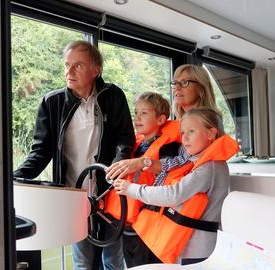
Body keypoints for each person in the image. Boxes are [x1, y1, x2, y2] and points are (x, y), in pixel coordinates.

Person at [13, 40, 135, 270]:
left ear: (95, 70)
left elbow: (125, 138)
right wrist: (12, 178)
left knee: (113, 260)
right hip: (74, 198)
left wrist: (117, 169)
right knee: (83, 263)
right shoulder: (52, 102)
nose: (69, 71)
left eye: (78, 65)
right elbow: (40, 153)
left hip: (109, 193)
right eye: (67, 65)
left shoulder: (113, 96)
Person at [112, 107, 239, 264]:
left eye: (191, 131)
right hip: (191, 245)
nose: (184, 138)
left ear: (210, 134)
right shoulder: (199, 162)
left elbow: (173, 195)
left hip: (199, 250)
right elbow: (170, 165)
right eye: (183, 132)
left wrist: (130, 189)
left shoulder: (209, 167)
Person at [104, 92, 180, 267]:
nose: (137, 118)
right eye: (136, 113)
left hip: (148, 227)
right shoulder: (135, 145)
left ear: (160, 120)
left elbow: (167, 169)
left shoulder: (168, 148)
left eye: (144, 113)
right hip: (128, 225)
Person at [106, 64, 219, 179]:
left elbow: (187, 163)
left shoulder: (209, 124)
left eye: (185, 82)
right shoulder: (173, 126)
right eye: (175, 83)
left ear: (201, 89)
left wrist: (142, 163)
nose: (177, 88)